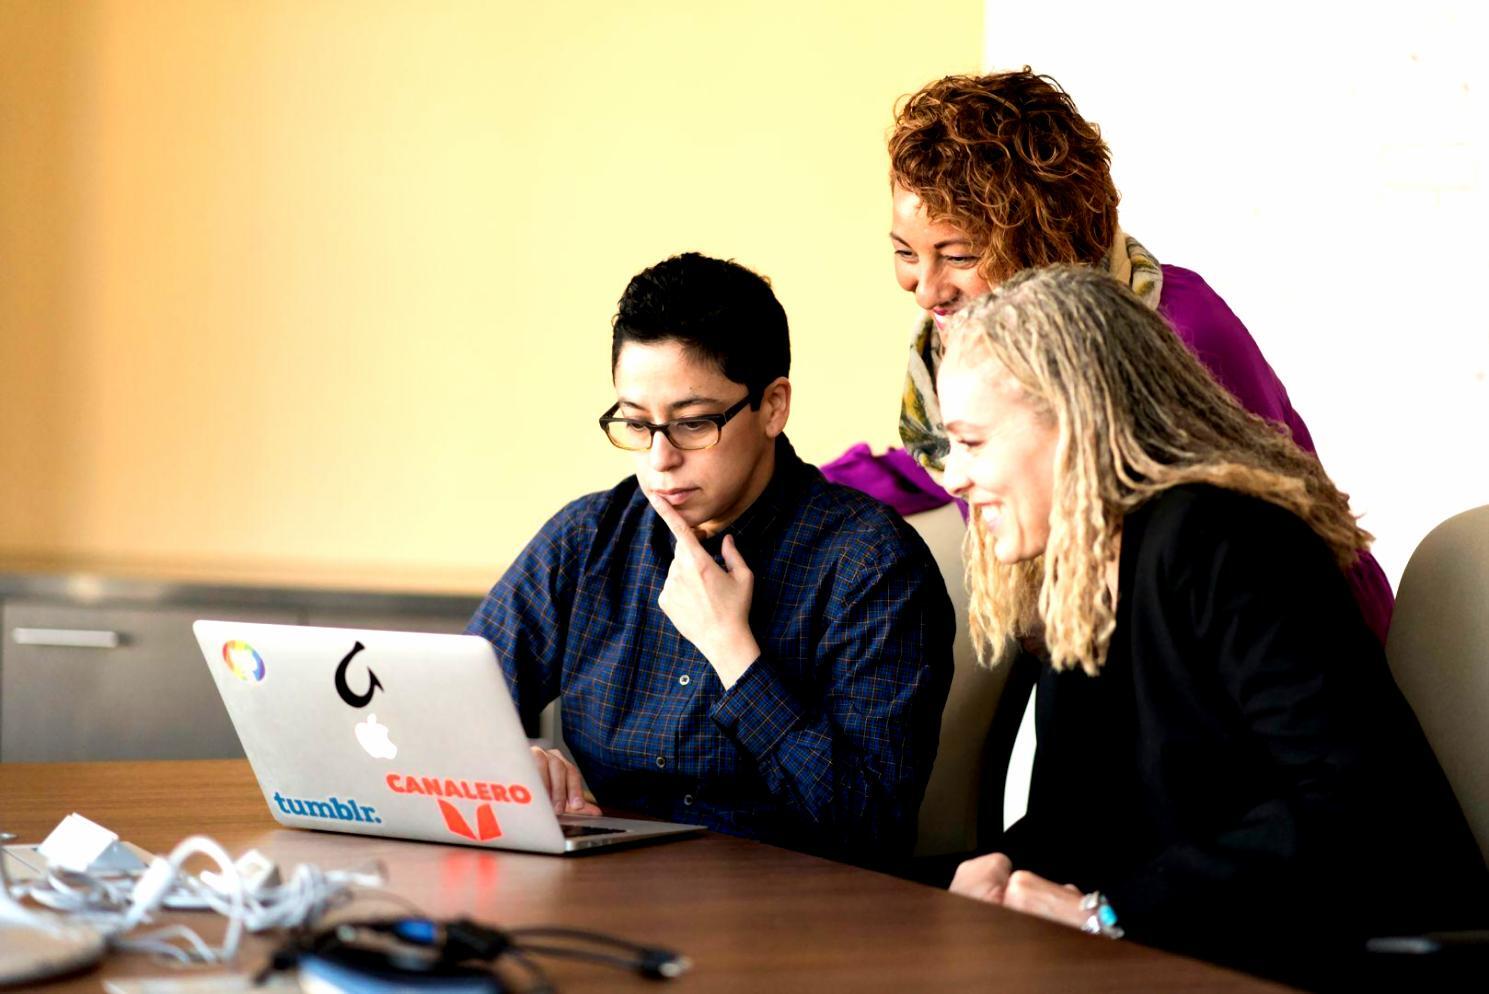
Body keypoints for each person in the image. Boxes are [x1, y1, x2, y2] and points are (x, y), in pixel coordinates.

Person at [935, 264, 1486, 989]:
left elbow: (1356, 809)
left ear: (1072, 424)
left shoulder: (1225, 539)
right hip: (1205, 948)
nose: (951, 477)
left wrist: (1108, 914)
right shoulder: (1085, 564)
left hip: (1344, 953)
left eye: (970, 443)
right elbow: (1083, 813)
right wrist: (1005, 876)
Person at [822, 67, 1393, 642]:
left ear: (1040, 241)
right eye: (905, 252)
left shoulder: (1180, 328)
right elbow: (958, 458)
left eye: (960, 257)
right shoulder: (964, 347)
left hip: (1288, 644)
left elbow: (1263, 537)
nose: (925, 288)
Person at [466, 252, 954, 864]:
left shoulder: (870, 565)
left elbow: (871, 827)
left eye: (694, 424)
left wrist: (734, 652)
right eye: (638, 425)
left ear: (773, 406)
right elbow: (449, 715)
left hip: (796, 921)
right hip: (610, 900)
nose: (660, 459)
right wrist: (507, 764)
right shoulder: (587, 540)